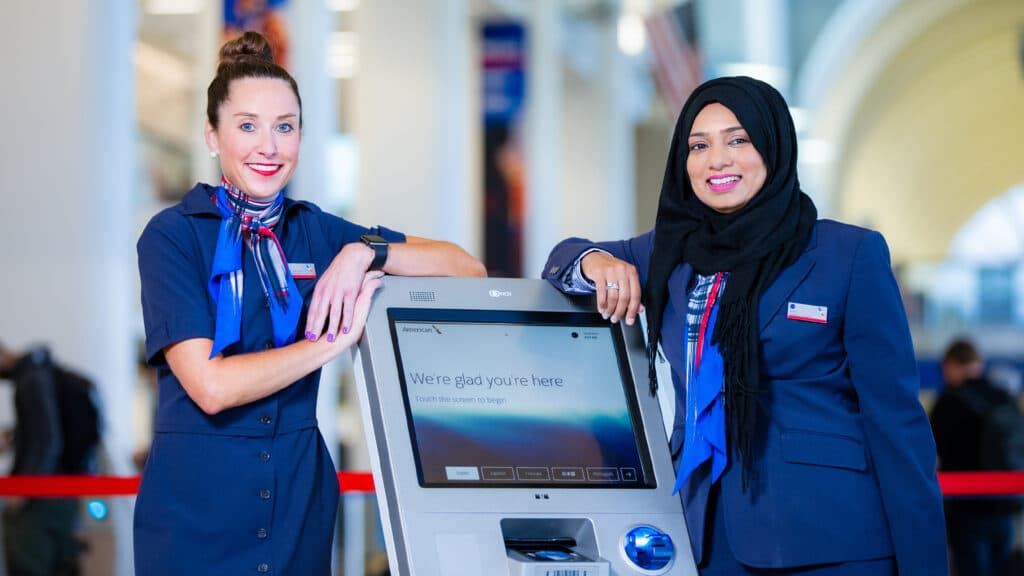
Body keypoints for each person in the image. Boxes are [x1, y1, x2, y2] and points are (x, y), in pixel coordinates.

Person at [543, 76, 946, 575]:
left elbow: (896, 423)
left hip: (831, 541)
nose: (717, 160)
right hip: (701, 537)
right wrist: (594, 262)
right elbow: (562, 257)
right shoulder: (669, 252)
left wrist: (924, 563)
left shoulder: (847, 255)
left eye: (738, 139)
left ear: (773, 145)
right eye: (698, 145)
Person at [134, 31, 486, 575]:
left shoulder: (315, 232)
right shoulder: (174, 236)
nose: (268, 147)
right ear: (212, 135)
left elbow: (465, 267)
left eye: (285, 127)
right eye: (247, 126)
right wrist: (328, 343)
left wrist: (363, 252)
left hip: (298, 497)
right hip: (196, 505)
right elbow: (211, 386)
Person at [0, 342, 96, 576]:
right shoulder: (44, 371)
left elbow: (47, 439)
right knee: (62, 563)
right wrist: (14, 436)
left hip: (44, 497)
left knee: (29, 561)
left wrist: (24, 488)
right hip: (63, 490)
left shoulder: (30, 379)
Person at [930, 338, 1020, 576]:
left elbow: (933, 455)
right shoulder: (1004, 397)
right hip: (1005, 505)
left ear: (951, 365)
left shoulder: (948, 402)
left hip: (966, 508)